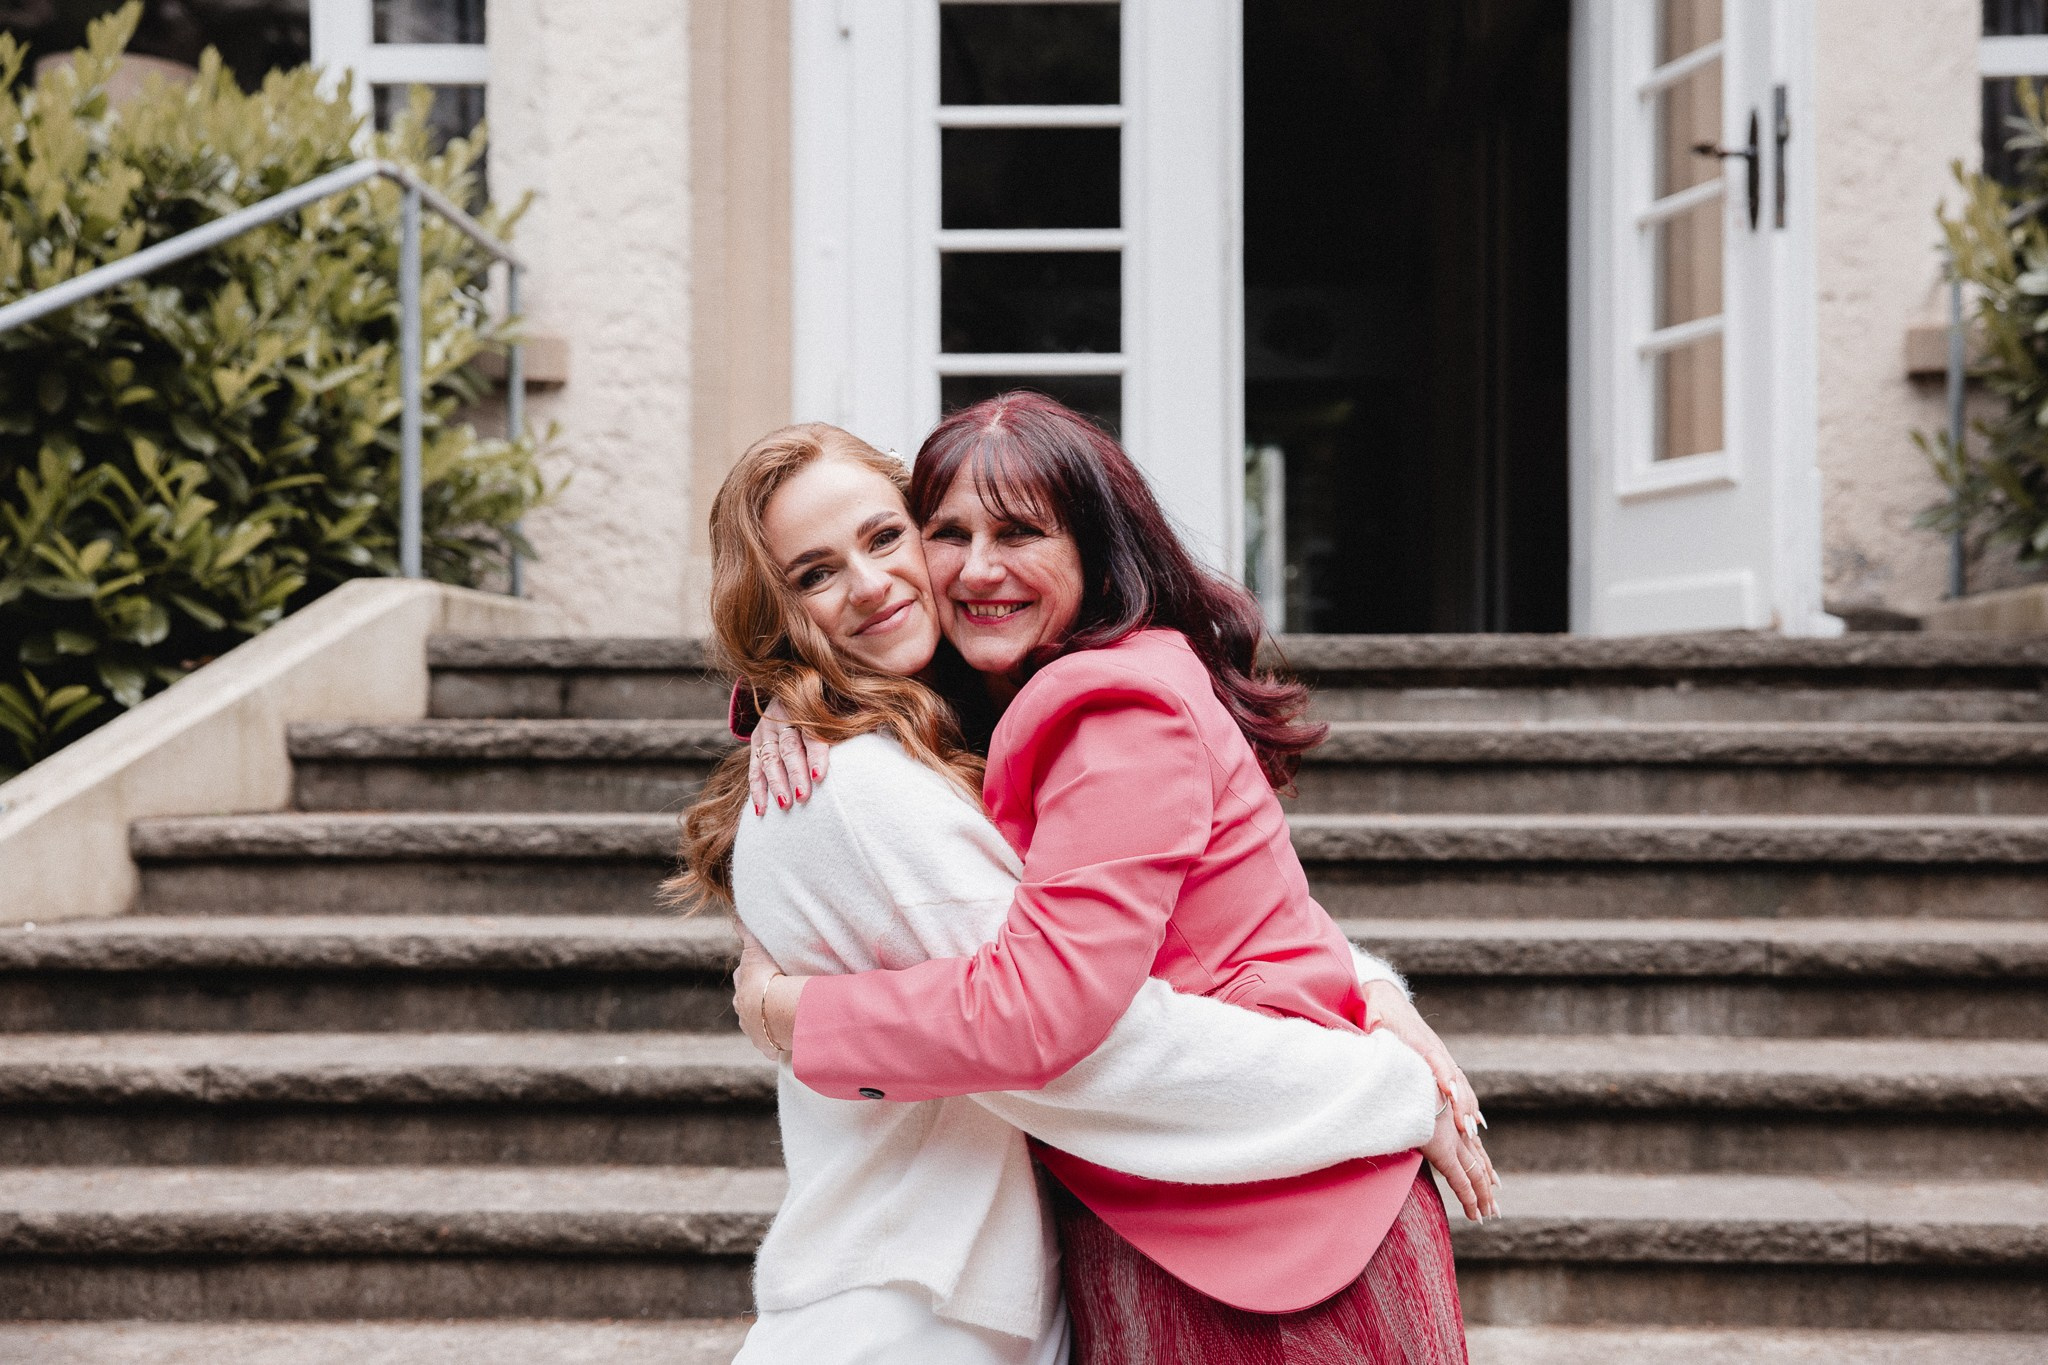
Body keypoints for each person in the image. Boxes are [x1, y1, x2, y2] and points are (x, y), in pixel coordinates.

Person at [673, 422, 1482, 1364]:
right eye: (813, 574)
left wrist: (1370, 991)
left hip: (1016, 1273)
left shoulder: (979, 720)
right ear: (771, 611)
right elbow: (1056, 1032)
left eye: (886, 538)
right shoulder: (855, 786)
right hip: (918, 1300)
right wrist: (1382, 1086)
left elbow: (1186, 918)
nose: (874, 583)